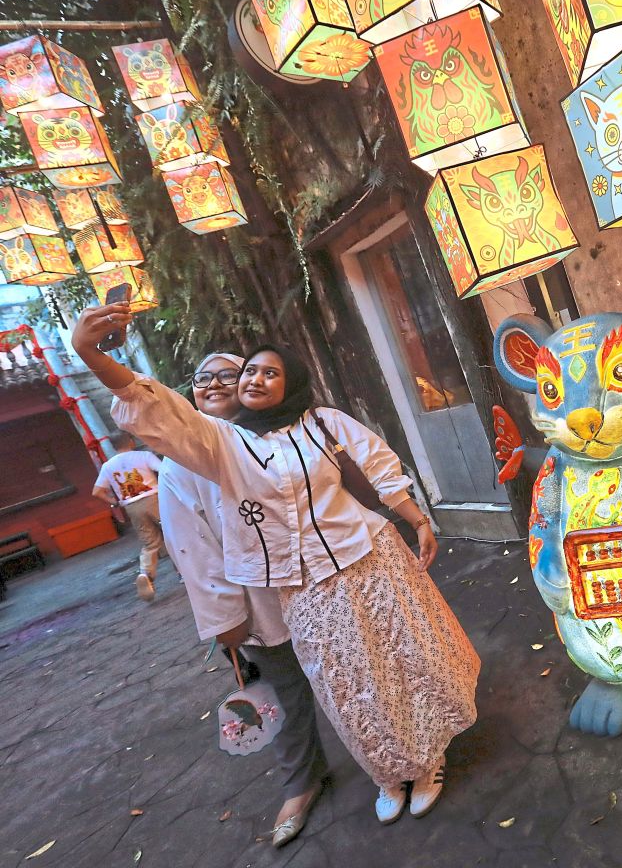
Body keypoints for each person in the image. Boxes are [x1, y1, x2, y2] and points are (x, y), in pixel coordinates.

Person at [72, 304, 480, 825]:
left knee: (398, 664)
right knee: (344, 685)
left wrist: (418, 519)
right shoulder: (223, 444)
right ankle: (386, 771)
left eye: (269, 371)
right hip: (302, 587)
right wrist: (87, 353)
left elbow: (378, 464)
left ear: (291, 384)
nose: (254, 379)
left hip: (368, 559)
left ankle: (427, 761)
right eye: (248, 372)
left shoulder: (324, 422)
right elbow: (157, 409)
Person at [158, 352, 328, 847]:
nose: (212, 384)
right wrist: (225, 617)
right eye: (201, 377)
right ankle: (302, 781)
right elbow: (192, 545)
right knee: (285, 692)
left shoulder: (284, 433)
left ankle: (394, 752)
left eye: (226, 375)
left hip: (320, 582)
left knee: (355, 674)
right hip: (256, 601)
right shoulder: (180, 461)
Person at [92, 432, 164, 601]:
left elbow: (97, 492)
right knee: (173, 535)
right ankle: (184, 573)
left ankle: (146, 574)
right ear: (131, 441)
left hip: (131, 506)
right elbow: (165, 471)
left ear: (113, 446)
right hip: (155, 500)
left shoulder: (108, 466)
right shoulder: (143, 455)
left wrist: (114, 503)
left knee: (150, 543)